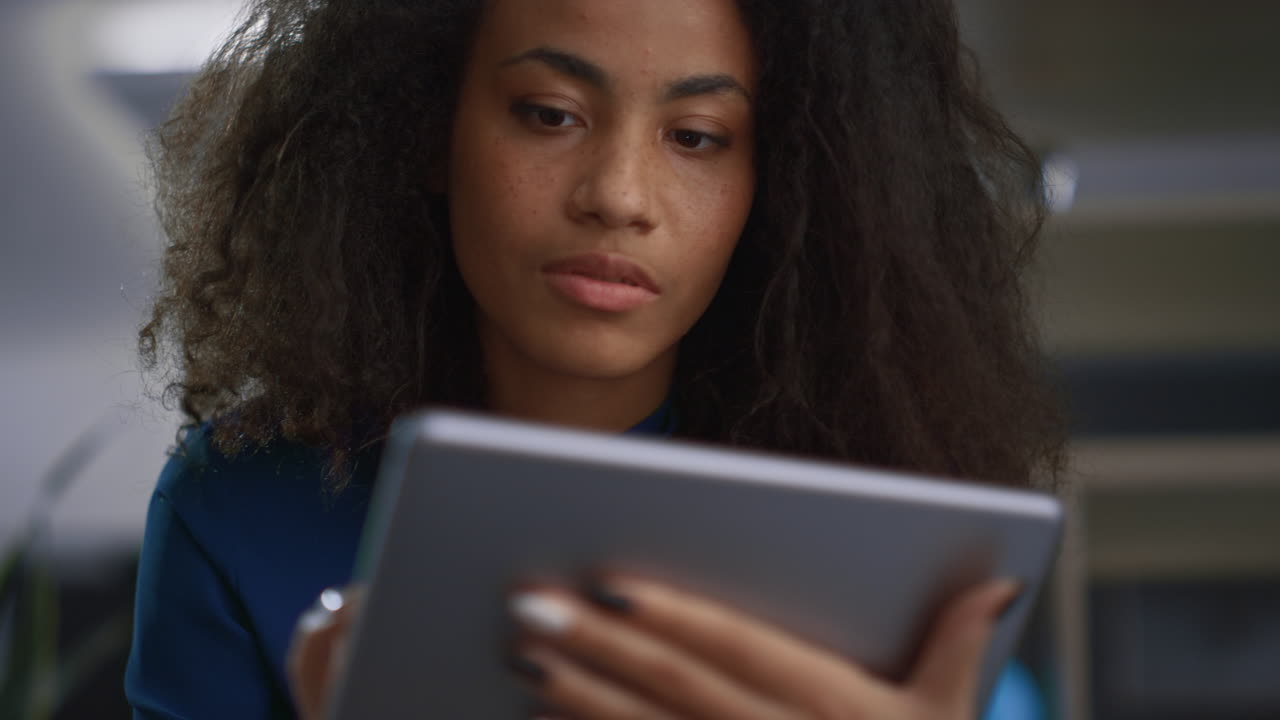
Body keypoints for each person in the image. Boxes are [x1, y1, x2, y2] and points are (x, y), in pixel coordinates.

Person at [126, 0, 1066, 718]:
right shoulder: (240, 508)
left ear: (782, 184)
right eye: (548, 114)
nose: (619, 196)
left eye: (697, 137)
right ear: (423, 132)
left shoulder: (893, 527)